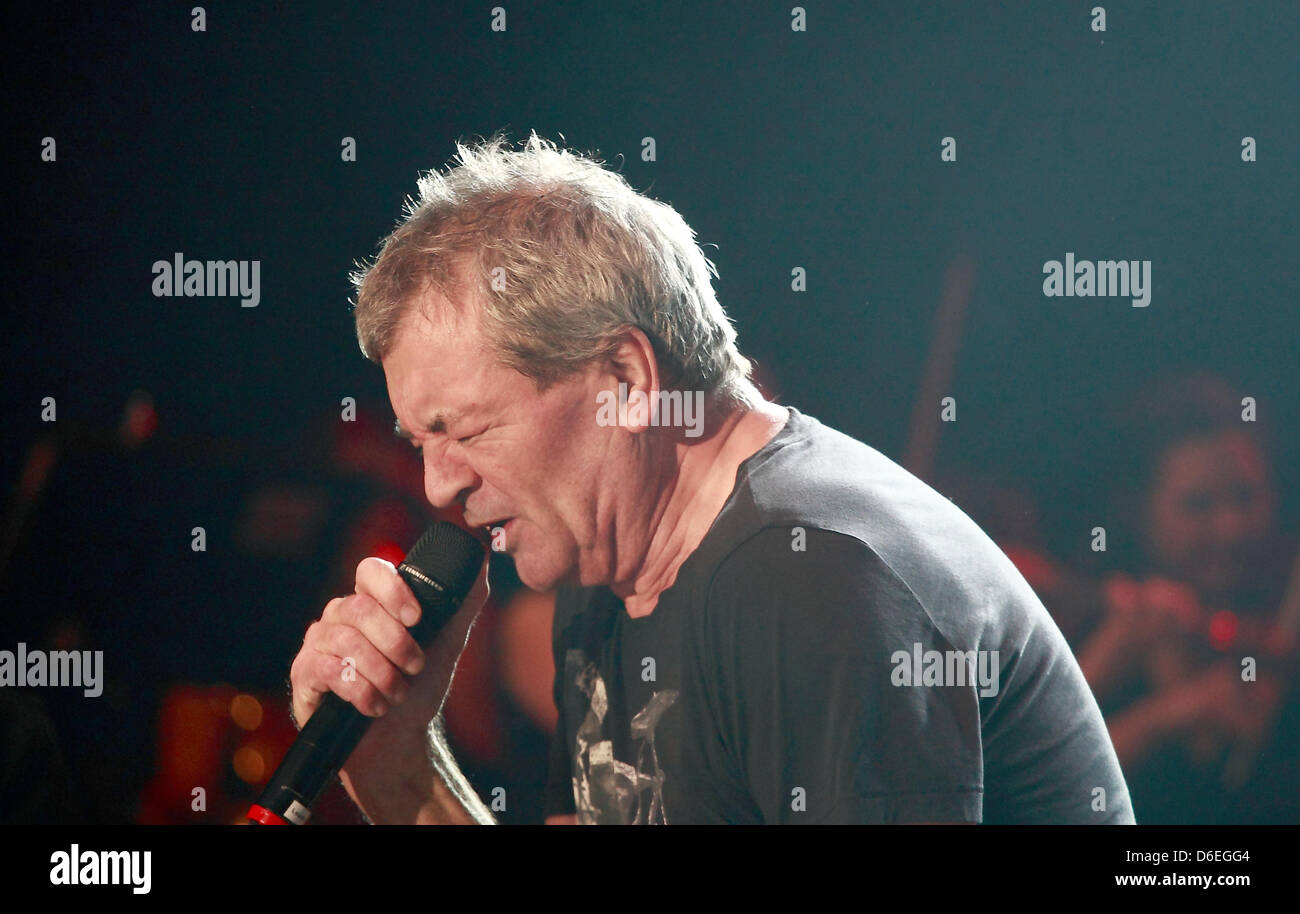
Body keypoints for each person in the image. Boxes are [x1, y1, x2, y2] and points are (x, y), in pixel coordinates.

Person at [287, 131, 1133, 824]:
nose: (436, 485)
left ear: (624, 378)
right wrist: (402, 772)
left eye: (464, 430)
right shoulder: (603, 565)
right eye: (418, 439)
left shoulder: (816, 583)